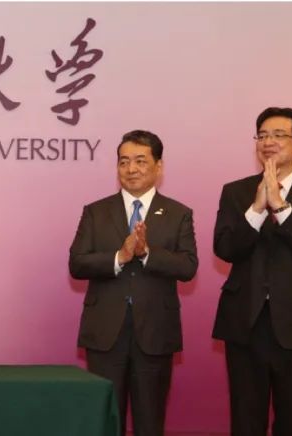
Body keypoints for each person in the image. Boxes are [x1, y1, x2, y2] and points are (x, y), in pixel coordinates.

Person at [213, 107, 292, 436]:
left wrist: (281, 207)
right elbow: (225, 249)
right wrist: (257, 208)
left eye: (278, 135)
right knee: (246, 419)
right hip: (246, 320)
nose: (268, 142)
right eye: (262, 135)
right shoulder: (236, 191)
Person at [69, 130, 198, 436]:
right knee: (105, 421)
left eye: (140, 161)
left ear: (158, 166)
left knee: (150, 422)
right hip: (105, 332)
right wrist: (120, 256)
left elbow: (187, 267)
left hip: (155, 331)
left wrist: (147, 253)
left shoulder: (178, 213)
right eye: (124, 161)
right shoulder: (96, 211)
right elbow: (77, 263)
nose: (131, 169)